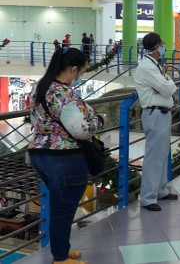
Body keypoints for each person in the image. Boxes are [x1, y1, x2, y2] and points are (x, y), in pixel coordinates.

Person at [28, 47, 107, 263]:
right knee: (64, 209)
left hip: (39, 154)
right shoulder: (64, 93)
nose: (79, 76)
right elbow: (81, 130)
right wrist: (100, 121)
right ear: (73, 69)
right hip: (65, 158)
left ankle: (61, 248)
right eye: (80, 71)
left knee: (58, 206)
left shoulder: (40, 87)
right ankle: (61, 258)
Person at [133, 33, 179, 211]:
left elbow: (165, 86)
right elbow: (168, 88)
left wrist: (165, 82)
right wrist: (166, 83)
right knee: (154, 156)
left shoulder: (154, 65)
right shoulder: (147, 67)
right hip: (155, 114)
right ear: (155, 47)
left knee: (162, 154)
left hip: (162, 113)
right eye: (162, 43)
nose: (164, 45)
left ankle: (160, 190)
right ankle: (148, 197)